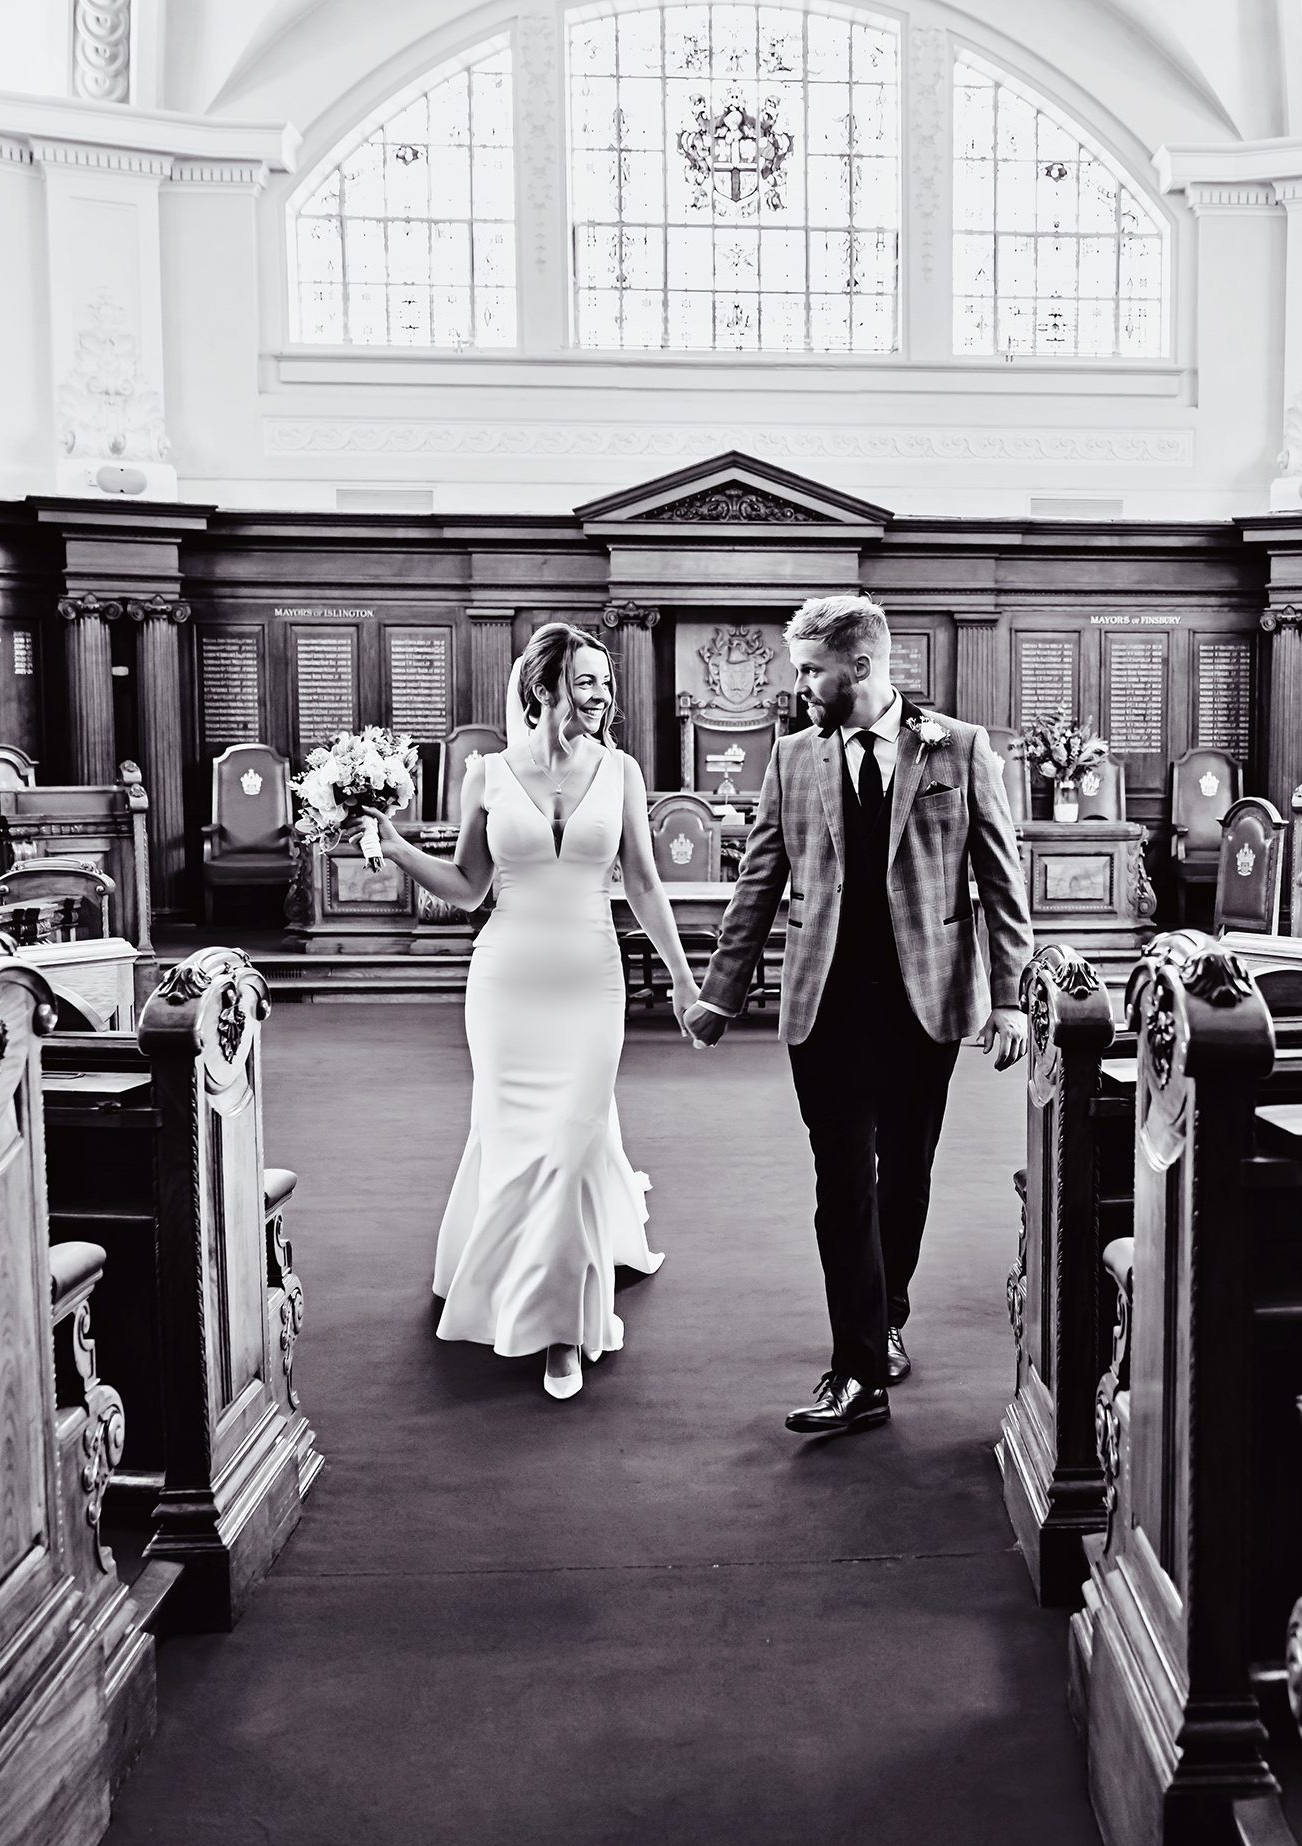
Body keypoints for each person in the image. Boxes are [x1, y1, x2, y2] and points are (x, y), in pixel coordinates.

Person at [683, 594, 1033, 1437]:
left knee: (904, 1175)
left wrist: (1014, 997)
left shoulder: (959, 748)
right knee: (842, 1184)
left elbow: (1000, 880)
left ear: (864, 667)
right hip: (825, 1006)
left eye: (811, 671)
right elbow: (759, 879)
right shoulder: (793, 757)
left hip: (925, 1003)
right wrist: (718, 993)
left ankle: (889, 1315)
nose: (798, 686)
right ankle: (858, 1371)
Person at [353, 624, 699, 1399]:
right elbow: (470, 888)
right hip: (507, 983)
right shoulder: (487, 775)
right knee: (515, 1142)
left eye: (606, 683)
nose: (603, 696)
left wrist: (680, 977)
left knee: (572, 1148)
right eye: (586, 682)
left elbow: (642, 883)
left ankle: (561, 1330)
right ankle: (514, 1283)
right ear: (543, 689)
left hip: (590, 980)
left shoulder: (621, 772)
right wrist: (400, 847)